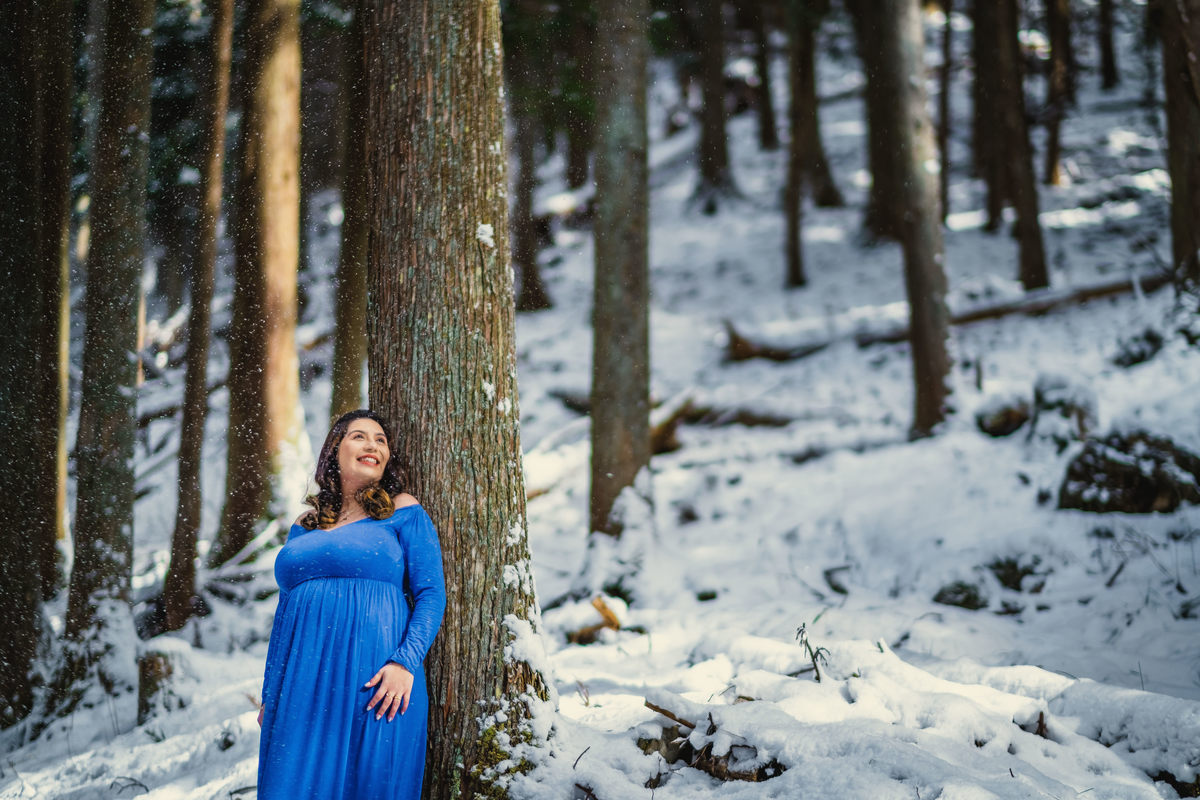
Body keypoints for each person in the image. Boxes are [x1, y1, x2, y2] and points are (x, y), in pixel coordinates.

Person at [257, 409, 447, 799]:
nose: (373, 445)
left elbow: (431, 593)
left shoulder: (402, 509)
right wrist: (270, 694)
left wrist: (404, 662)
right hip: (300, 685)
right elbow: (285, 614)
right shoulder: (304, 524)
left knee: (369, 785)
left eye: (381, 440)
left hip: (376, 681)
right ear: (334, 451)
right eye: (359, 436)